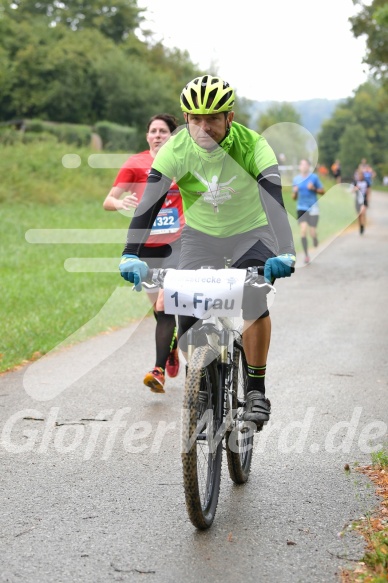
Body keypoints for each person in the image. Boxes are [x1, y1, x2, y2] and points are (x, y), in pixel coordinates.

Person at [119, 75, 296, 431]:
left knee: (253, 297)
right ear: (185, 119)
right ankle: (199, 380)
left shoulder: (252, 145)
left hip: (252, 233)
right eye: (195, 119)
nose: (203, 127)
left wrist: (286, 252)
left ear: (230, 117)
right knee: (186, 302)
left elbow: (273, 201)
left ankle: (257, 391)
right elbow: (149, 204)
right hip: (201, 235)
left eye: (212, 118)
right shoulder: (177, 148)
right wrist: (130, 253)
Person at [103, 113, 184, 393]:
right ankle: (171, 348)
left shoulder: (183, 161)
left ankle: (158, 369)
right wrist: (120, 201)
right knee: (161, 312)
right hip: (146, 248)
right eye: (153, 131)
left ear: (173, 136)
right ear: (147, 136)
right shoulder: (135, 164)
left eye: (163, 131)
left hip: (178, 244)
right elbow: (108, 200)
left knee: (166, 303)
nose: (158, 135)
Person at [292, 158, 325, 264]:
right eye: (302, 165)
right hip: (301, 207)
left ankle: (315, 238)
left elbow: (322, 191)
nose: (304, 166)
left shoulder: (314, 178)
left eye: (306, 165)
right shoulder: (296, 179)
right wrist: (296, 192)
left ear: (308, 166)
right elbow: (293, 198)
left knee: (312, 232)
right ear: (300, 167)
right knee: (303, 230)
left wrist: (314, 188)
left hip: (313, 207)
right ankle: (306, 255)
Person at [352, 169, 370, 235]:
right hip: (357, 200)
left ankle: (363, 225)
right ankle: (361, 226)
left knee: (363, 213)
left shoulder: (366, 182)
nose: (360, 176)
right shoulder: (355, 182)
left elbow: (368, 191)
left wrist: (368, 199)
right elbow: (351, 190)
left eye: (361, 175)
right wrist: (356, 189)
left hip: (364, 200)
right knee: (359, 215)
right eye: (359, 175)